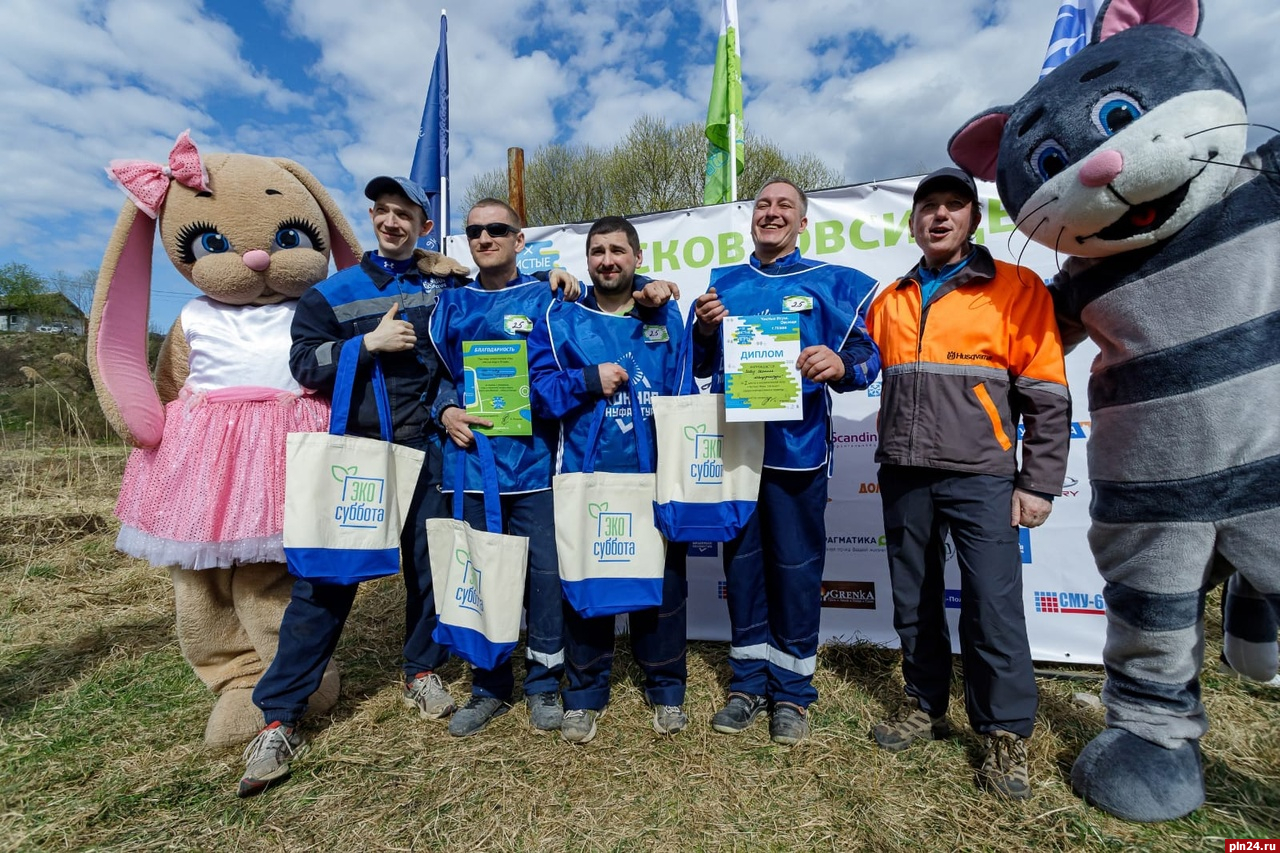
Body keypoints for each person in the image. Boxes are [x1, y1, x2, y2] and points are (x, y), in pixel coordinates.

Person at [236, 176, 467, 796]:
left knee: (430, 572)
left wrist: (446, 403)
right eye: (385, 212)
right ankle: (280, 716)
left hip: (427, 452)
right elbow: (304, 365)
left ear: (422, 223)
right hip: (358, 457)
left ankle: (421, 672)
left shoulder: (439, 287)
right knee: (325, 586)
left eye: (406, 215)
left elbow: (461, 355)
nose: (393, 222)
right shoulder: (330, 295)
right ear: (372, 217)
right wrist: (366, 343)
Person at [864, 167, 1070, 800]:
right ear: (914, 221)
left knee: (993, 605)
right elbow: (858, 365)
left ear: (974, 221)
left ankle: (1005, 734)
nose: (941, 216)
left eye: (955, 206)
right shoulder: (890, 297)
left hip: (982, 473)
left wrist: (1037, 483)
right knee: (913, 598)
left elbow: (1049, 394)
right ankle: (923, 706)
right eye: (929, 207)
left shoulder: (1016, 287)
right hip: (904, 469)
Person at [691, 178, 880, 745]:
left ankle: (793, 694)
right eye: (763, 205)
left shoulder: (834, 284)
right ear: (752, 219)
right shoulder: (722, 285)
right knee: (742, 569)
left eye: (785, 207)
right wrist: (702, 330)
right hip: (737, 452)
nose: (772, 213)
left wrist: (841, 366)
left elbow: (871, 358)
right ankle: (746, 683)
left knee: (795, 573)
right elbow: (701, 365)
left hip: (797, 453)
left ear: (802, 223)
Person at [527, 215, 688, 744]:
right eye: (597, 251)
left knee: (662, 591)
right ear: (587, 259)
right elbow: (539, 394)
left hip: (656, 479)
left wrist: (653, 294)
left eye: (618, 250)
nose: (607, 260)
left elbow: (687, 387)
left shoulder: (665, 316)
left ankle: (666, 689)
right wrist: (586, 381)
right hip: (588, 476)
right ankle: (585, 694)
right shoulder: (567, 319)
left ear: (637, 258)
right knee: (586, 589)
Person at [426, 198, 572, 737]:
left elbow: (617, 286)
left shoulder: (548, 296)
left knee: (543, 578)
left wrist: (651, 282)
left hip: (534, 464)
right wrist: (444, 409)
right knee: (480, 573)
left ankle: (544, 685)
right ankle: (489, 686)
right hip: (470, 464)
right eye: (474, 232)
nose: (484, 238)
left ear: (517, 238)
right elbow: (434, 375)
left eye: (496, 229)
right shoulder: (450, 305)